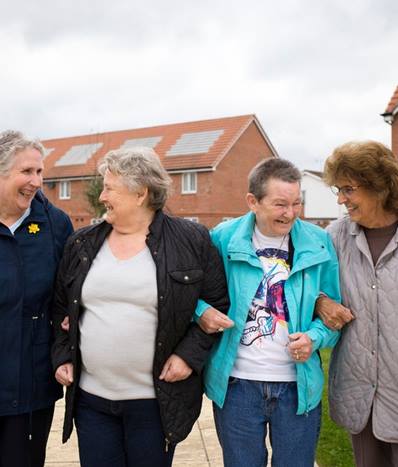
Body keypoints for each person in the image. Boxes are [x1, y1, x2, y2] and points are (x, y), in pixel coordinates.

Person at [51, 147, 229, 467]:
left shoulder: (192, 241)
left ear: (140, 194)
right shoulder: (82, 243)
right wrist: (63, 356)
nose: (102, 196)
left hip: (155, 405)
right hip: (92, 402)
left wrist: (188, 356)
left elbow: (217, 306)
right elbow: (61, 308)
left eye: (109, 188)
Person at [195, 158, 341, 467]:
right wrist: (202, 312)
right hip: (237, 387)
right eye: (280, 205)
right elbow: (192, 295)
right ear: (253, 202)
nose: (290, 214)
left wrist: (313, 339)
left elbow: (334, 318)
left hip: (298, 388)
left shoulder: (319, 242)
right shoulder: (222, 238)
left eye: (296, 203)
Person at [316, 141, 398, 467]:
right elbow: (307, 287)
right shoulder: (334, 236)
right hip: (359, 392)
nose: (340, 199)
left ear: (379, 186)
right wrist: (321, 302)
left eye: (348, 189)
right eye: (338, 189)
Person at [0, 130, 73, 467]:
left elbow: (71, 293)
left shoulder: (55, 224)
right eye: (26, 172)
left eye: (40, 172)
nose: (35, 182)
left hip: (31, 389)